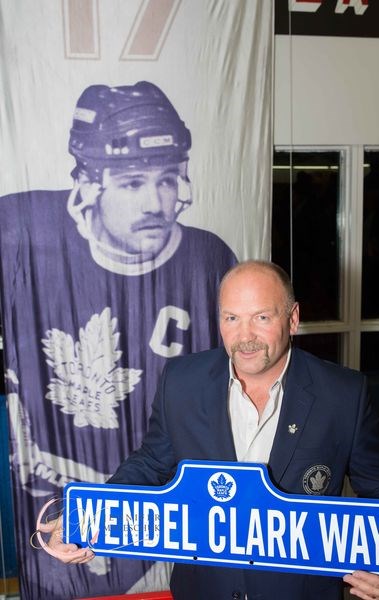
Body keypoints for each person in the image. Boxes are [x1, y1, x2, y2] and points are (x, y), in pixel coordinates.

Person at [0, 81, 236, 598]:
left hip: (168, 515)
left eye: (168, 180)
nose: (157, 201)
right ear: (88, 183)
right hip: (55, 510)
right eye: (132, 182)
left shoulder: (208, 258)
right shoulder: (19, 232)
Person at [46, 260, 379, 600]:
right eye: (232, 318)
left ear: (292, 319)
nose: (245, 337)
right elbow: (151, 463)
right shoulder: (181, 381)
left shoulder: (344, 394)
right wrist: (87, 517)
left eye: (261, 317)